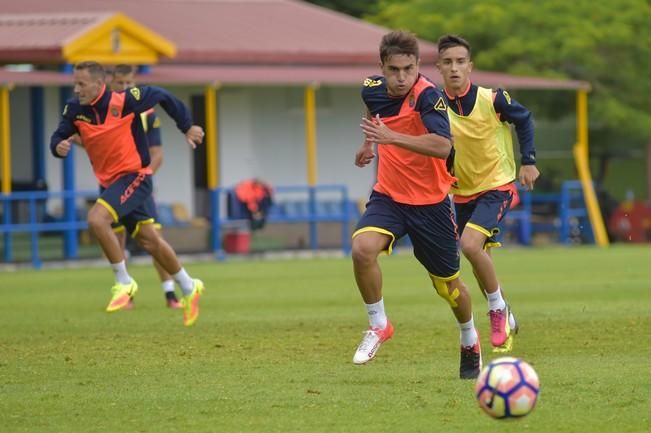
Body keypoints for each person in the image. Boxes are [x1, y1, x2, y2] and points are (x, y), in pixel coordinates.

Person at [353, 30, 481, 379]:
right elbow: (373, 110)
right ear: (382, 67)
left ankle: (469, 338)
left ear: (417, 67)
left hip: (432, 205)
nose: (401, 78)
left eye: (408, 69)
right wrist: (369, 144)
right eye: (393, 70)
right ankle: (379, 325)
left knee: (449, 287)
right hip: (390, 196)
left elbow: (442, 145)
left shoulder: (429, 98)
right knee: (362, 249)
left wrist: (392, 138)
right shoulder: (371, 87)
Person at [50, 61, 205, 326]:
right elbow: (59, 135)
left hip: (135, 176)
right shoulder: (74, 110)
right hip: (112, 183)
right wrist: (58, 147)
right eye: (74, 83)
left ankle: (124, 282)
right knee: (150, 241)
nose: (76, 89)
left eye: (81, 84)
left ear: (99, 85)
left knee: (97, 219)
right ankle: (189, 287)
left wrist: (187, 126)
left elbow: (163, 95)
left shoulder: (127, 100)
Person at [436, 34, 540, 352]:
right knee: (481, 263)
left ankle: (497, 310)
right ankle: (505, 311)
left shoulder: (492, 99)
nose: (454, 68)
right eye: (448, 62)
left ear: (470, 66)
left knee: (470, 245)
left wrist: (529, 162)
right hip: (463, 193)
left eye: (460, 61)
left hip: (497, 186)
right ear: (439, 67)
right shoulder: (437, 106)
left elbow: (525, 120)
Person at [108, 64, 182, 309]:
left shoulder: (147, 113)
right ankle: (125, 295)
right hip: (111, 186)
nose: (126, 88)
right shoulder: (103, 111)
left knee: (154, 239)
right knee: (116, 240)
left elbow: (157, 153)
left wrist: (142, 179)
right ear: (110, 83)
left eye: (130, 83)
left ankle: (170, 294)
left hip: (139, 185)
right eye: (120, 83)